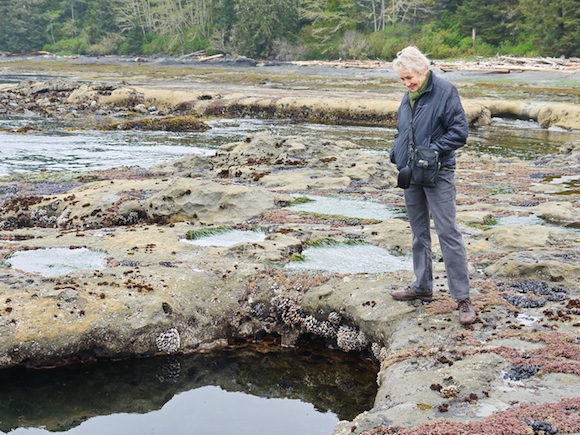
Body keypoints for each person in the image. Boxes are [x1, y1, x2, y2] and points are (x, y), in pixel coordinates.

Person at [389, 46, 476, 325]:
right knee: (418, 232)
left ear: (423, 70)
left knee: (448, 234)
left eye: (409, 78)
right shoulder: (408, 97)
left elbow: (459, 132)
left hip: (439, 173)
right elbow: (404, 131)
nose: (406, 83)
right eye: (402, 79)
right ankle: (422, 286)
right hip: (411, 173)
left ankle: (463, 299)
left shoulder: (445, 91)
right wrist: (396, 152)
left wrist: (433, 151)